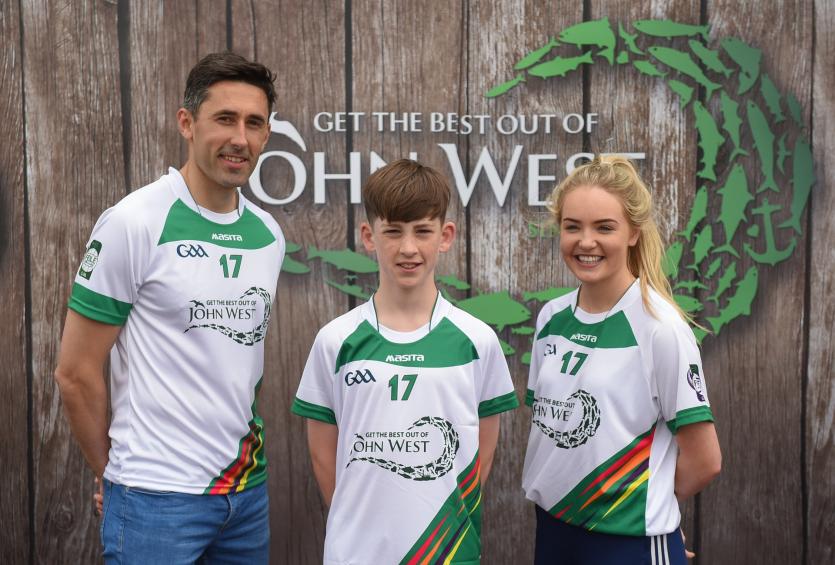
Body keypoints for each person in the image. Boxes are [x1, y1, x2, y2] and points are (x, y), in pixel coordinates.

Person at [54, 52, 284, 564]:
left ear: (267, 134)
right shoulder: (134, 222)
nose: (239, 138)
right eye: (224, 119)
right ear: (187, 122)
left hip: (245, 494)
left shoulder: (268, 235)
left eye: (254, 123)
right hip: (153, 499)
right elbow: (75, 371)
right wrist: (110, 474)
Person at [292, 159, 519, 564]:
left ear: (445, 236)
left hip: (446, 551)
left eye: (422, 232)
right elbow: (323, 457)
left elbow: (482, 452)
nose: (408, 248)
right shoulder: (335, 340)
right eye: (393, 232)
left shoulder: (477, 341)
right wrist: (359, 524)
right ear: (369, 236)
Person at [522, 156, 721, 564]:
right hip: (553, 533)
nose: (586, 241)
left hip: (626, 544)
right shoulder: (551, 319)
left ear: (633, 233)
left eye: (604, 227)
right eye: (572, 226)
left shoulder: (660, 329)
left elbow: (705, 461)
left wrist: (653, 509)